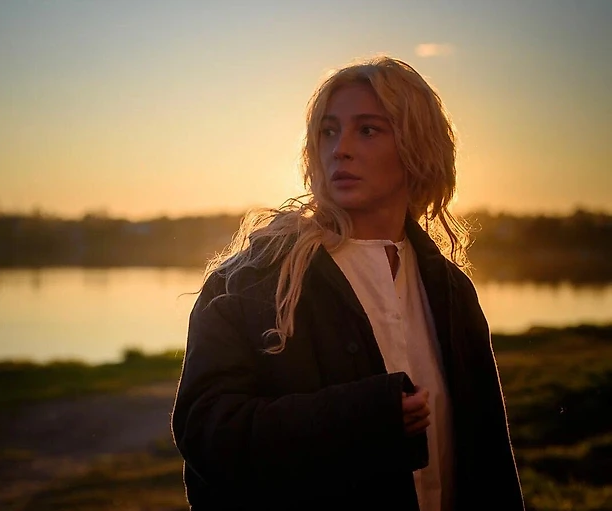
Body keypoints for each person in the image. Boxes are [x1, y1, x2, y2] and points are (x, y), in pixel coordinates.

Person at [171, 55, 525, 511]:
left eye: (368, 130)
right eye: (328, 131)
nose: (340, 149)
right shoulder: (252, 280)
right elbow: (207, 433)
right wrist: (367, 417)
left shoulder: (452, 291)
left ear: (418, 146)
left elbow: (490, 457)